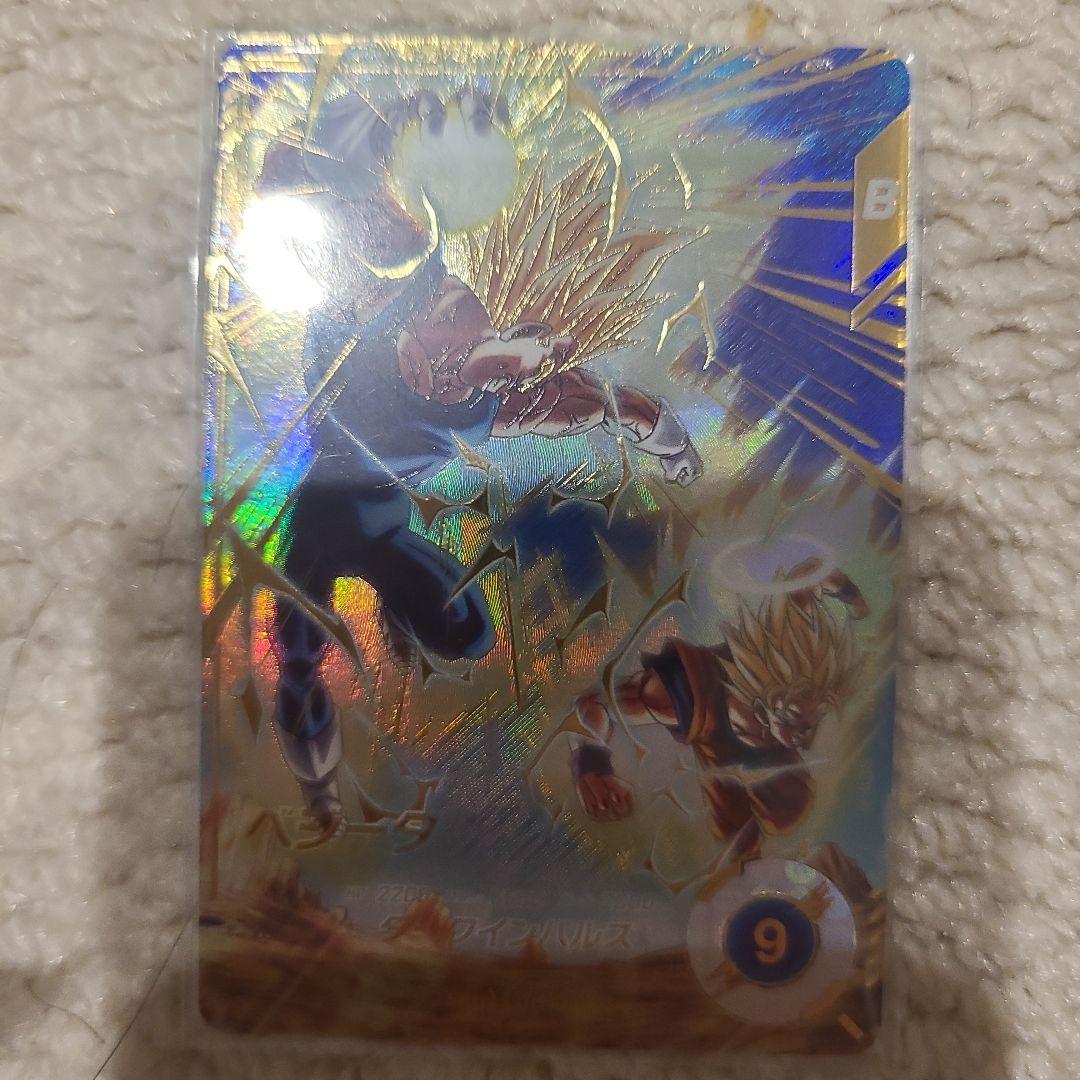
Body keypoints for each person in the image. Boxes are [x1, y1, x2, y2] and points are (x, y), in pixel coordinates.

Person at [252, 88, 704, 834]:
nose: (459, 358)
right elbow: (299, 186)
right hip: (323, 518)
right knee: (304, 643)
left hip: (384, 519)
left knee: (462, 632)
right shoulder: (366, 300)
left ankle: (392, 652)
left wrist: (664, 436)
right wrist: (388, 133)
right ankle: (321, 794)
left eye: (476, 357)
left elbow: (589, 401)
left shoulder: (468, 379)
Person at [567, 563, 868, 860]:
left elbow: (810, 573)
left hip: (763, 784)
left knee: (792, 805)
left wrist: (855, 601)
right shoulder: (682, 689)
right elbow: (594, 704)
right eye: (796, 722)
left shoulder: (792, 653)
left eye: (810, 725)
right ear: (766, 706)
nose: (805, 740)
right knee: (739, 836)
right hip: (722, 770)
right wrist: (590, 766)